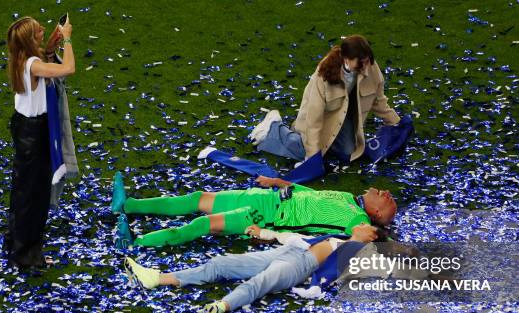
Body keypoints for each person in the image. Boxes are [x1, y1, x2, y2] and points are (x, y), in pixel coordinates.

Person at [124, 223, 385, 313]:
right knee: (222, 263)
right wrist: (267, 234)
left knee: (258, 284)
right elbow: (298, 238)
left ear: (371, 235)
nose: (360, 224)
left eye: (366, 225)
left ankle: (220, 307)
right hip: (288, 253)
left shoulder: (361, 251)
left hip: (299, 267)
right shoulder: (339, 236)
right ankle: (156, 279)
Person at [111, 172, 397, 248]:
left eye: (388, 200)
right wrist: (277, 182)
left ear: (378, 215)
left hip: (267, 216)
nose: (386, 192)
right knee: (198, 197)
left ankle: (137, 242)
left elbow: (365, 236)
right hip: (266, 197)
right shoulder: (347, 197)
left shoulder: (357, 219)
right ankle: (129, 205)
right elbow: (306, 192)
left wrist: (388, 243)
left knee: (204, 223)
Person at [249, 34, 400, 164]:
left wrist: (396, 123)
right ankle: (273, 128)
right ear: (346, 59)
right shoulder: (324, 74)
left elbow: (378, 100)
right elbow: (314, 119)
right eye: (361, 62)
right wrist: (312, 157)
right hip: (317, 117)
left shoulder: (371, 66)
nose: (366, 66)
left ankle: (328, 142)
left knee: (348, 153)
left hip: (345, 116)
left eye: (368, 61)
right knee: (305, 150)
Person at [4, 16, 75, 269]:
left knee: (23, 192)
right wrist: (66, 38)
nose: (43, 29)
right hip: (35, 135)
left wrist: (50, 48)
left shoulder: (22, 59)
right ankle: (26, 255)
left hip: (24, 129)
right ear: (30, 40)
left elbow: (40, 63)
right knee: (35, 196)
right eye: (38, 31)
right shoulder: (33, 64)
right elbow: (69, 68)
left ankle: (16, 243)